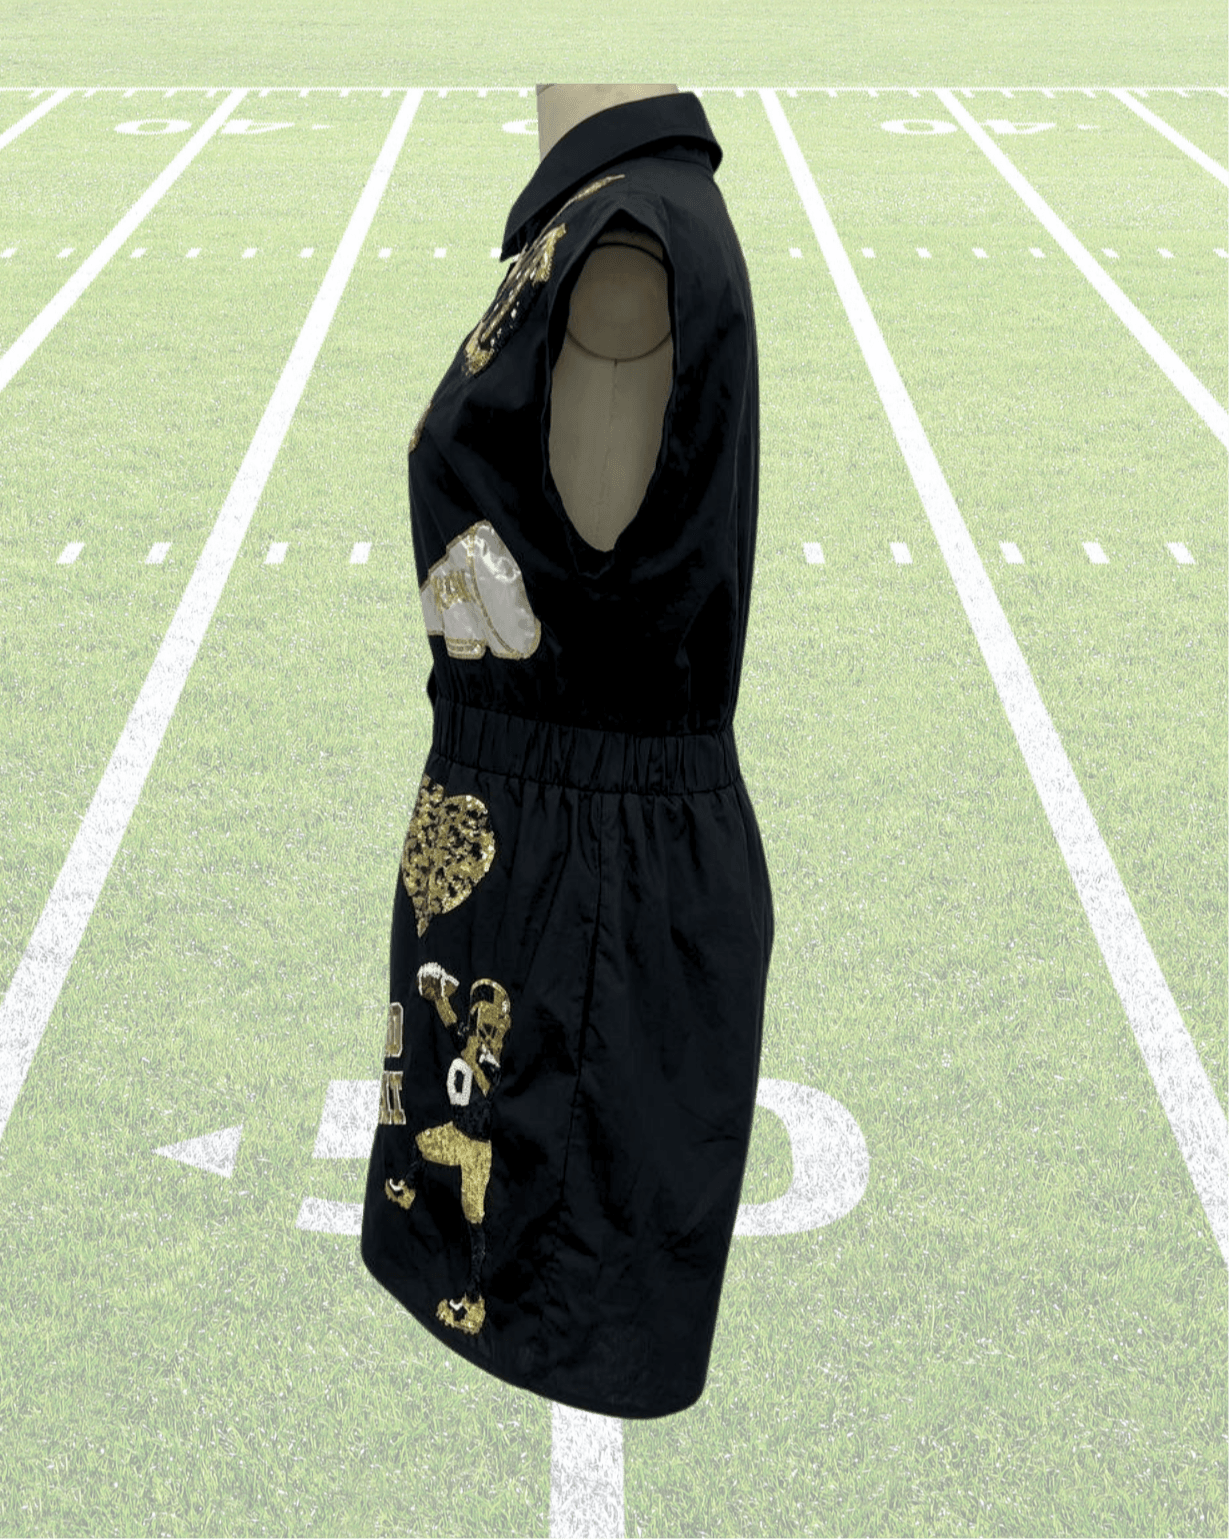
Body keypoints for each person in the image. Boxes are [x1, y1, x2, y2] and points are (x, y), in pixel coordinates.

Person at [361, 82, 775, 1421]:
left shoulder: (624, 250)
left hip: (567, 904)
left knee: (550, 1316)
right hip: (540, 870)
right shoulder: (616, 219)